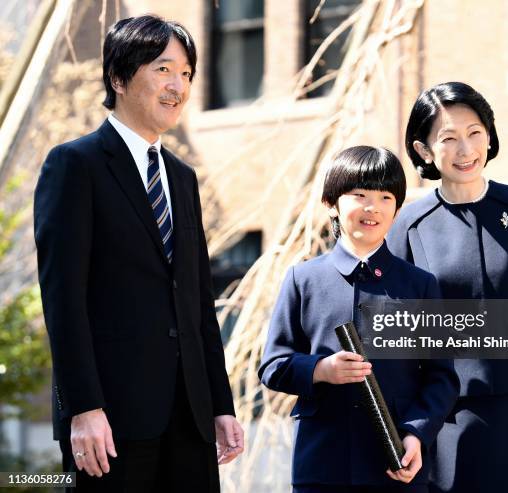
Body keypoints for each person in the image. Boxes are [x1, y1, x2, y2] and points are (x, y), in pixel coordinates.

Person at [34, 15, 243, 492]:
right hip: (110, 421)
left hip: (189, 417)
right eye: (163, 69)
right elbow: (63, 301)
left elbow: (196, 303)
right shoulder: (75, 165)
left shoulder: (183, 178)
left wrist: (220, 404)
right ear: (119, 77)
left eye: (187, 73)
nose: (178, 86)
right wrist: (83, 407)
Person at [386, 81, 508, 493]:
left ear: (489, 136)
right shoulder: (407, 224)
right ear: (424, 150)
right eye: (448, 138)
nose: (465, 150)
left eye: (474, 133)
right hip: (444, 414)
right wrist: (408, 424)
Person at [259, 146, 459, 493]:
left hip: (396, 466)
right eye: (359, 195)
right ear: (331, 205)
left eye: (385, 196)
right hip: (322, 465)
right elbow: (273, 366)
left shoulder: (420, 285)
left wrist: (416, 433)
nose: (373, 207)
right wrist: (321, 370)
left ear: (397, 208)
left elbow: (442, 378)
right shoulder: (302, 280)